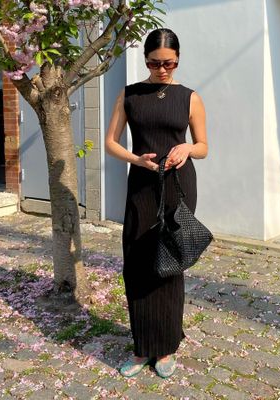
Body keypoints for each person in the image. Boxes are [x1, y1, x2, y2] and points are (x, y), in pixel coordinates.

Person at [105, 28, 208, 378]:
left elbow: (204, 146)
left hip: (179, 187)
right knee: (136, 262)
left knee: (169, 262)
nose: (163, 69)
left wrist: (187, 148)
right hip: (142, 186)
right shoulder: (129, 95)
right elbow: (111, 143)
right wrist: (137, 160)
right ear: (146, 59)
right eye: (155, 63)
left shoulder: (190, 98)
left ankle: (165, 347)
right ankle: (140, 348)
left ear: (178, 59)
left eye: (170, 63)